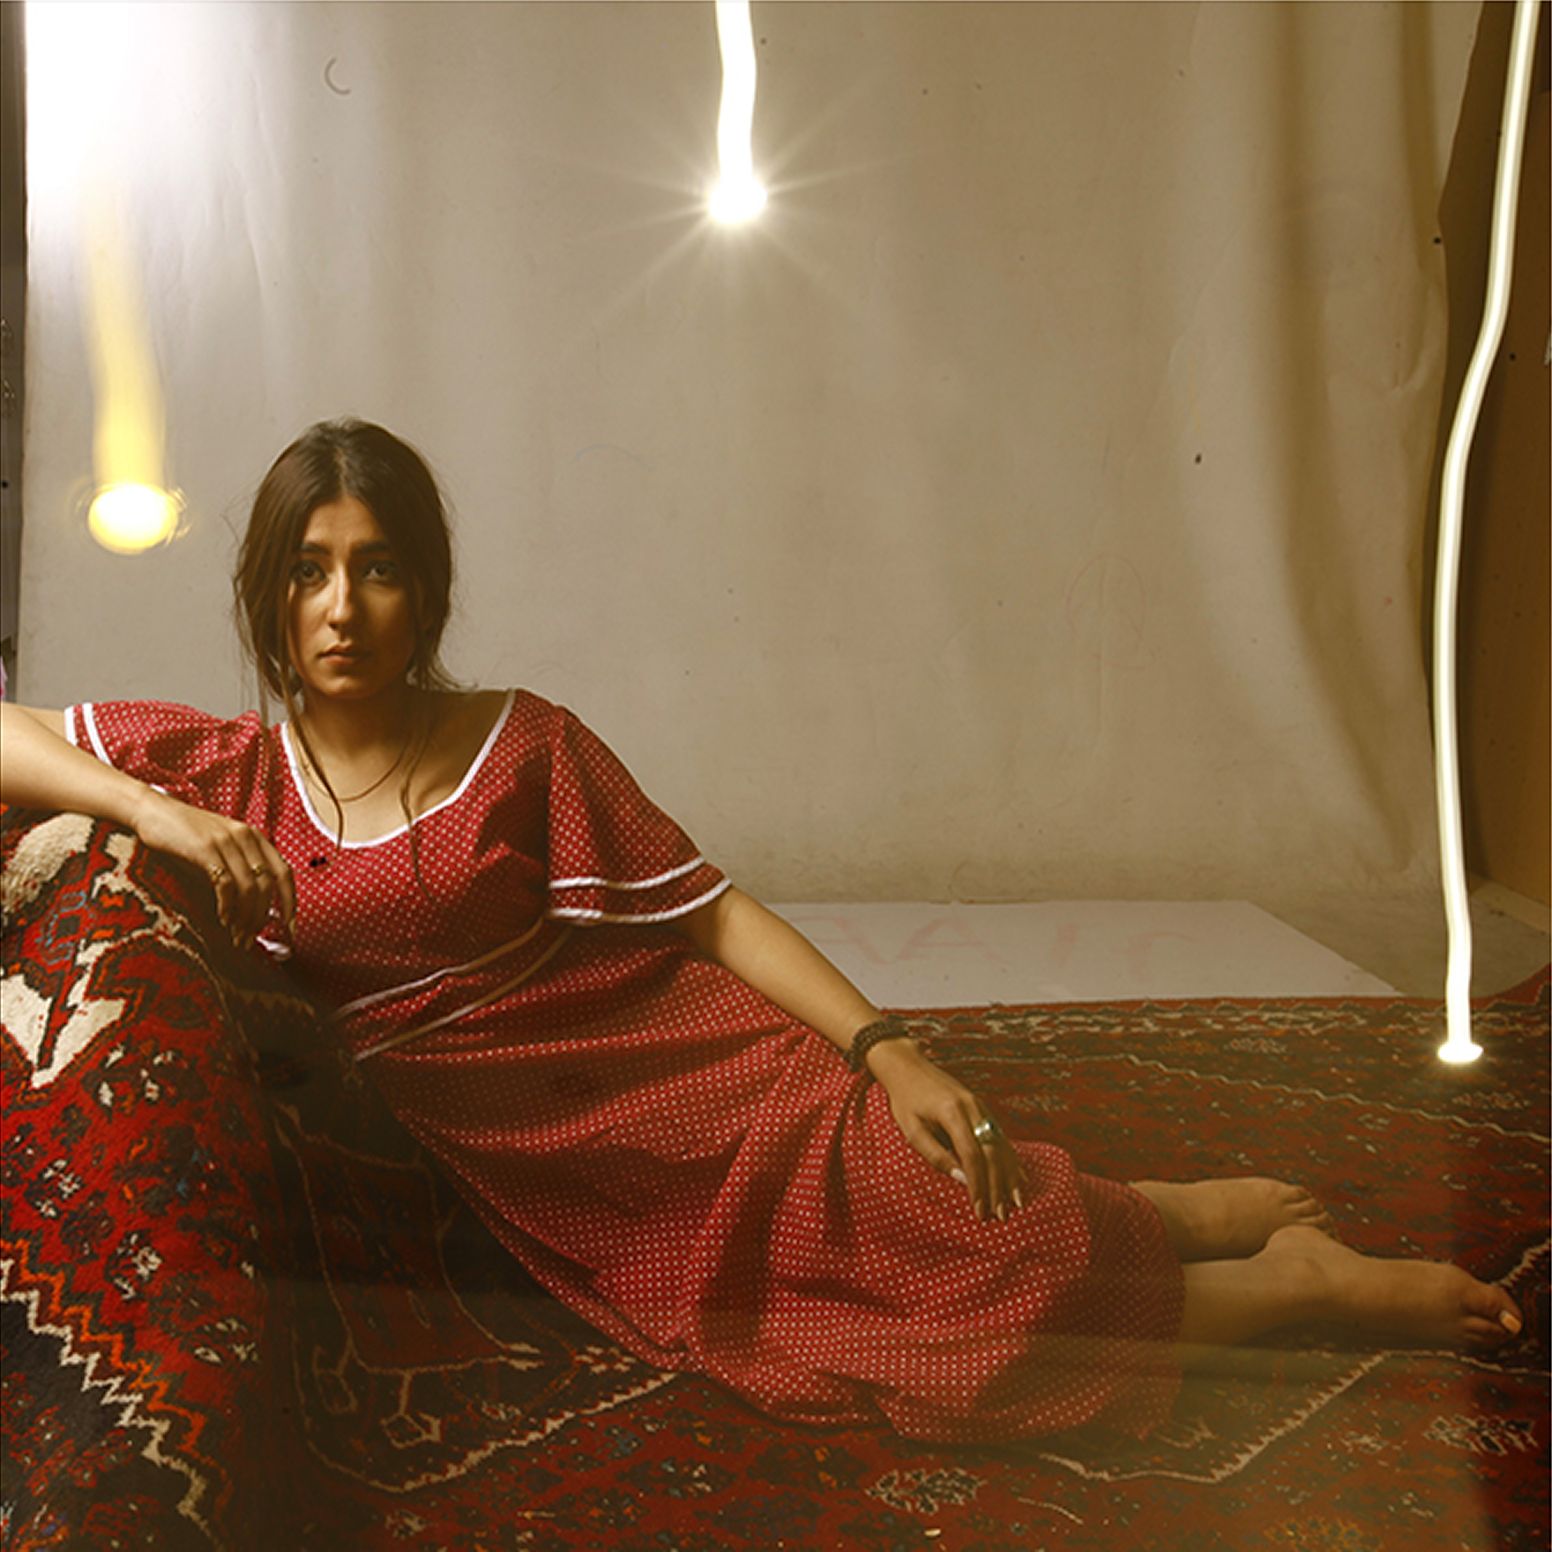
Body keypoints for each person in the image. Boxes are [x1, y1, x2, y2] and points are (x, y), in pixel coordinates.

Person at [0, 419, 1522, 1443]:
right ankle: (1216, 1244)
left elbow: (712, 913)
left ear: (429, 587)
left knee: (950, 1225)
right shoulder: (222, 771)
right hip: (573, 1185)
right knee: (907, 1352)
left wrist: (890, 1047)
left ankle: (1293, 1280)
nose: (343, 608)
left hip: (696, 1082)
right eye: (308, 571)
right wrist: (156, 816)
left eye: (379, 567)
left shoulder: (522, 745)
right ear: (266, 596)